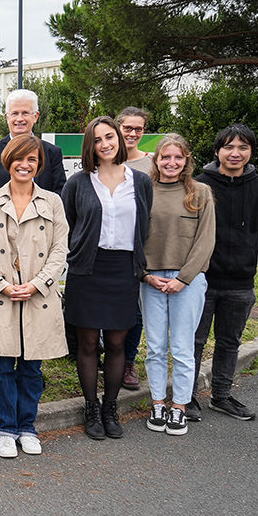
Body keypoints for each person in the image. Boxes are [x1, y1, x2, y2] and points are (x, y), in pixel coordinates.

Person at [0, 134, 69, 458]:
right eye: (19, 159)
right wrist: (0, 283)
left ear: (39, 165)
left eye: (31, 160)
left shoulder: (52, 202)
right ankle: (4, 429)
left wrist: (38, 283)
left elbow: (60, 249)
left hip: (37, 294)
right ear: (8, 162)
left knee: (31, 367)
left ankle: (27, 426)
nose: (24, 165)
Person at [61, 116, 152, 440]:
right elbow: (69, 224)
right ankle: (91, 407)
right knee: (87, 344)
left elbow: (145, 223)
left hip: (123, 269)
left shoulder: (139, 182)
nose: (105, 144)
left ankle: (110, 407)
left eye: (109, 136)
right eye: (98, 139)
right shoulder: (79, 182)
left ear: (119, 139)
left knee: (116, 342)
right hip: (88, 268)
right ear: (91, 145)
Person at [141, 134, 215, 435]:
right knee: (156, 347)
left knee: (183, 347)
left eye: (178, 157)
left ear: (186, 160)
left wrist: (184, 278)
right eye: (165, 157)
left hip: (189, 280)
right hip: (151, 278)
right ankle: (158, 402)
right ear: (156, 160)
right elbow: (135, 236)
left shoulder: (200, 192)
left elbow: (206, 240)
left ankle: (179, 407)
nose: (171, 163)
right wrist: (145, 273)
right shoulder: (145, 190)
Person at [189, 124, 258, 421]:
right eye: (229, 147)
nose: (235, 153)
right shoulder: (199, 185)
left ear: (250, 152)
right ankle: (187, 397)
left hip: (242, 280)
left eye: (242, 147)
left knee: (230, 342)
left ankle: (221, 395)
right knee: (194, 341)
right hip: (202, 279)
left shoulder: (257, 185)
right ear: (217, 151)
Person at [0, 89, 66, 204]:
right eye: (14, 113)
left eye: (25, 113)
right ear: (7, 117)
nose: (19, 119)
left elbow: (60, 194)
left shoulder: (52, 152)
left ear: (36, 116)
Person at [116, 106, 152, 390]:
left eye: (138, 128)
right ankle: (109, 357)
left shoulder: (150, 166)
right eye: (128, 127)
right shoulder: (102, 160)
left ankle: (128, 361)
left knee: (135, 311)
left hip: (140, 247)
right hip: (110, 249)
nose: (132, 133)